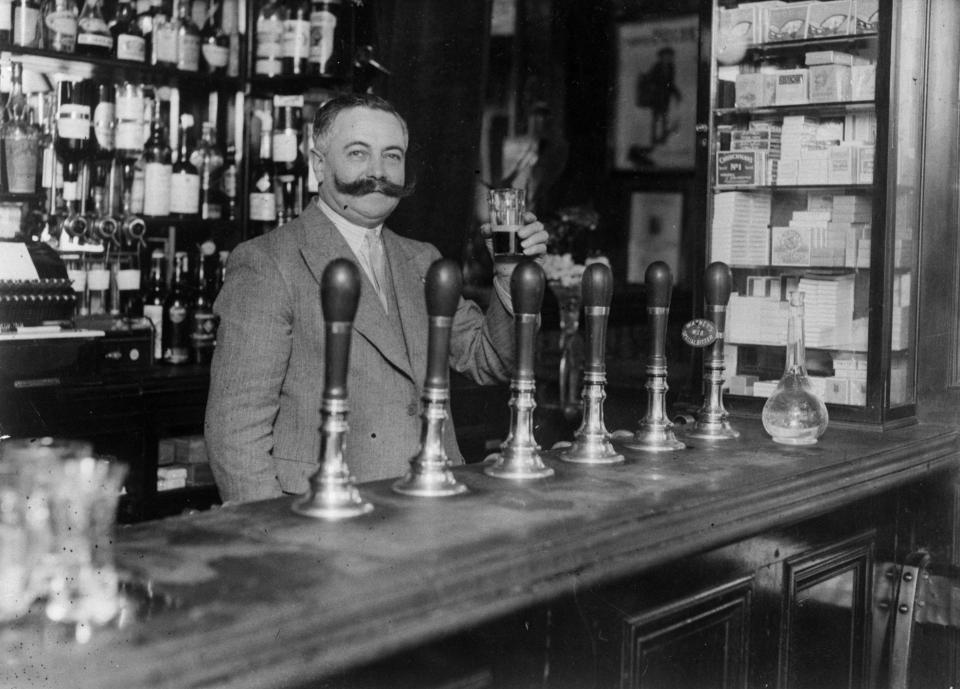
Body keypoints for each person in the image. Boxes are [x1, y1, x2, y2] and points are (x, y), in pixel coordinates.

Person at [205, 93, 549, 503]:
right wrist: (278, 540)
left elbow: (493, 361)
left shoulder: (423, 259)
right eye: (357, 153)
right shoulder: (268, 262)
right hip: (328, 516)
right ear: (319, 164)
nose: (378, 172)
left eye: (392, 156)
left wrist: (510, 273)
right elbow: (235, 431)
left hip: (433, 506)